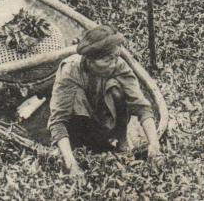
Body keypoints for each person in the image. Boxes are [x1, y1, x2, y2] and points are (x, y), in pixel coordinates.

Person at [48, 25, 161, 180]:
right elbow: (58, 121)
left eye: (115, 57)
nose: (114, 64)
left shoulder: (118, 65)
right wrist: (71, 163)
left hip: (106, 117)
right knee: (75, 101)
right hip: (80, 120)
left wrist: (154, 143)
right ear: (90, 60)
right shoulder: (70, 70)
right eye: (107, 60)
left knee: (117, 91)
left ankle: (122, 140)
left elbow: (142, 107)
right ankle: (81, 144)